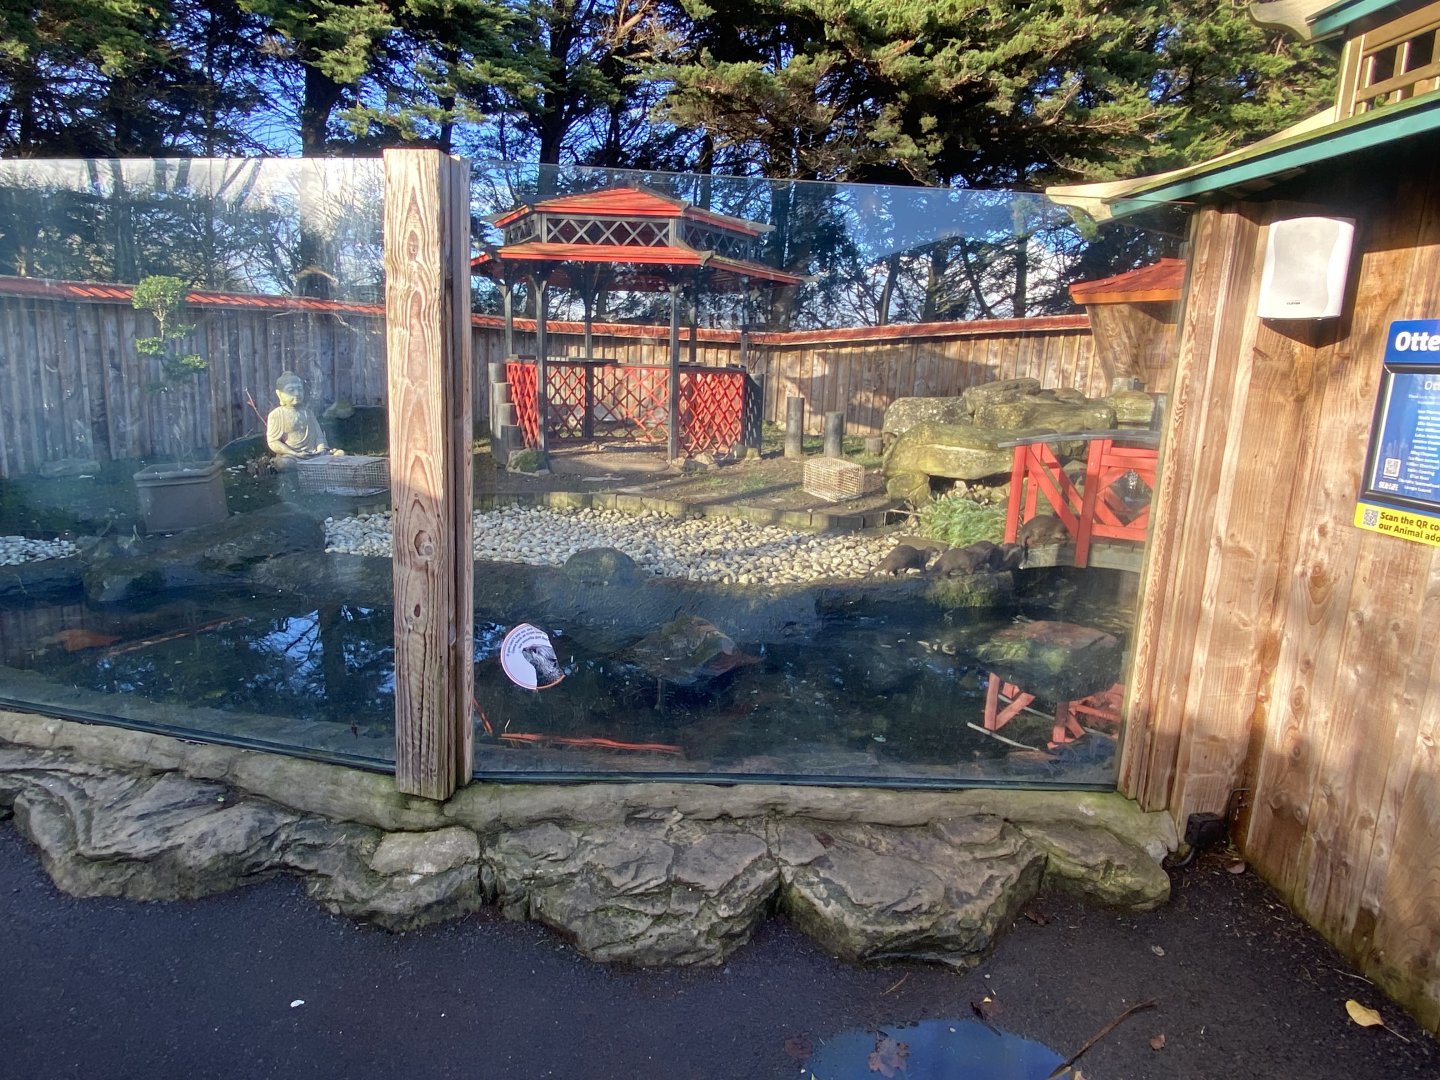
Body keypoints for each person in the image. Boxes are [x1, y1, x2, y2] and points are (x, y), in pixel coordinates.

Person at [265, 371, 340, 469]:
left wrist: (321, 450)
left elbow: (319, 437)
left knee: (340, 454)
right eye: (291, 390)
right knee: (284, 463)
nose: (297, 393)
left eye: (299, 389)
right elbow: (273, 442)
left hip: (314, 454)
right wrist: (294, 453)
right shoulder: (276, 415)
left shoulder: (308, 413)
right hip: (292, 456)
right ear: (279, 394)